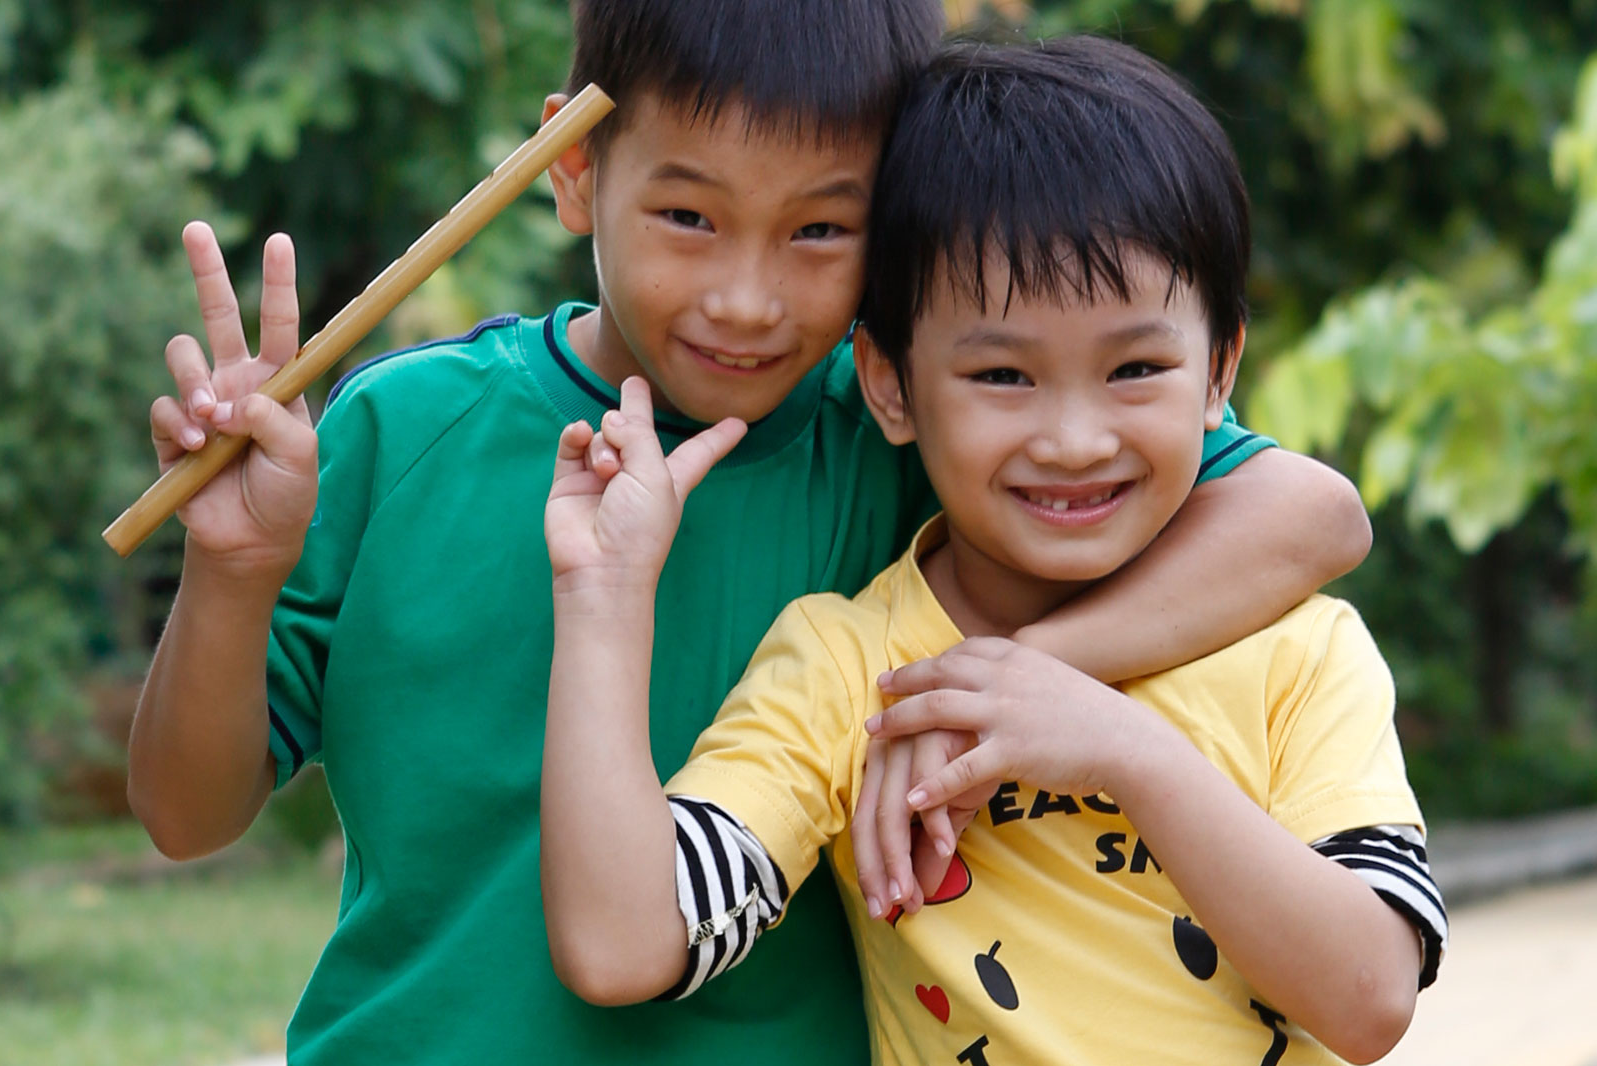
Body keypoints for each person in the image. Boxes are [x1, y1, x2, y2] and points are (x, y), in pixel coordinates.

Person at [128, 0, 1369, 1061]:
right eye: (688, 217)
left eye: (822, 229)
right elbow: (186, 814)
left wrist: (1015, 687)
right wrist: (233, 574)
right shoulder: (403, 430)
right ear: (572, 168)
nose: (748, 297)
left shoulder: (904, 428)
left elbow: (1308, 514)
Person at [540, 34, 1447, 1066]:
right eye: (1003, 376)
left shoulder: (1296, 647)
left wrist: (1122, 744)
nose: (1073, 438)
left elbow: (1371, 997)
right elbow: (622, 944)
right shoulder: (851, 671)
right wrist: (605, 600)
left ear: (1218, 369)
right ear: (887, 384)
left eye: (1136, 366)